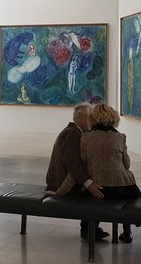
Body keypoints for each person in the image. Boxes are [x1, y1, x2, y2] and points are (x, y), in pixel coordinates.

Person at [45, 102, 107, 241]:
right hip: (62, 185)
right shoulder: (74, 135)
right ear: (82, 119)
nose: (93, 122)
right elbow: (73, 165)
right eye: (91, 118)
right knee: (99, 192)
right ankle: (89, 229)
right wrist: (89, 184)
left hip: (60, 181)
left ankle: (90, 228)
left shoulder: (71, 131)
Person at [80, 103, 141, 243]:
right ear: (113, 119)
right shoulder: (120, 137)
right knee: (124, 196)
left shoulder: (86, 137)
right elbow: (126, 164)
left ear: (93, 119)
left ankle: (89, 229)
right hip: (124, 188)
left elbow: (81, 164)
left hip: (100, 189)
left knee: (91, 193)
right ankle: (127, 232)